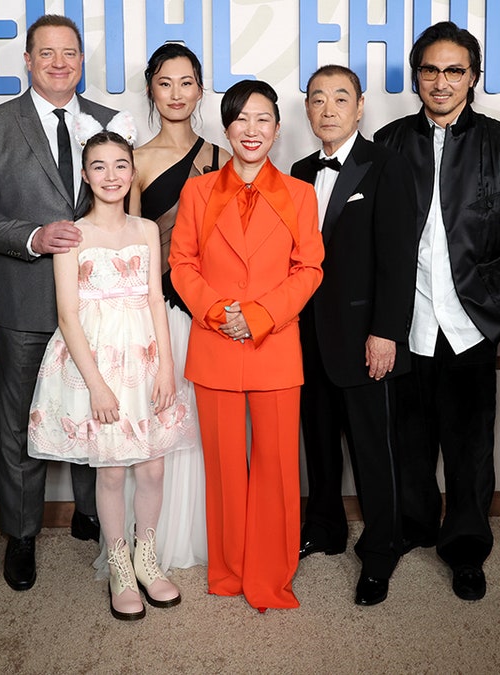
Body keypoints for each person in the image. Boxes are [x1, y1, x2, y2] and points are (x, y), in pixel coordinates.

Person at [0, 14, 120, 591]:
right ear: (27, 60)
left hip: (98, 305)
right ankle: (22, 534)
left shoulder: (109, 121)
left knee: (96, 411)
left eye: (69, 53)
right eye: (46, 53)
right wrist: (32, 237)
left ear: (82, 60)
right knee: (19, 422)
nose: (59, 63)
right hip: (26, 300)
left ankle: (92, 514)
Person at [373, 21, 500, 602]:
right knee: (409, 440)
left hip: (472, 321)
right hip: (407, 320)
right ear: (417, 76)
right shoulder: (387, 142)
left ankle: (465, 548)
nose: (441, 82)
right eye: (431, 70)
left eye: (454, 71)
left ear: (473, 76)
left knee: (470, 447)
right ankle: (415, 527)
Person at [168, 79, 324, 611]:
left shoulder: (300, 194)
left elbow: (309, 268)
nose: (251, 130)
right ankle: (230, 569)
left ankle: (271, 575)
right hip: (214, 344)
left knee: (277, 466)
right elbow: (181, 263)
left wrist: (257, 317)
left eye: (263, 119)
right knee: (224, 466)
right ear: (226, 127)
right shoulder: (198, 192)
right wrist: (218, 313)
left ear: (277, 129)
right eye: (240, 119)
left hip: (273, 345)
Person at [28, 131, 193, 621]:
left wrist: (167, 366)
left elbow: (155, 301)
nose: (111, 175)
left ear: (132, 172)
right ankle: (119, 565)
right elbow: (67, 315)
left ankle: (146, 558)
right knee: (113, 469)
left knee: (153, 467)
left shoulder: (145, 229)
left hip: (144, 358)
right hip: (97, 364)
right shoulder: (73, 235)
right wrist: (96, 385)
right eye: (98, 166)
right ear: (85, 175)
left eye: (121, 165)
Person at [289, 65, 418, 606]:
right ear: (307, 109)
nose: (328, 109)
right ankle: (325, 527)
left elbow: (398, 258)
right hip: (308, 336)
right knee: (318, 443)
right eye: (318, 99)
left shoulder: (387, 164)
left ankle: (381, 550)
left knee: (373, 451)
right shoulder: (299, 170)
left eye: (341, 98)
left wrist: (385, 332)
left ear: (360, 107)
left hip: (367, 337)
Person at [126, 42, 231, 570]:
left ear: (200, 89)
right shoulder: (134, 161)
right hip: (155, 312)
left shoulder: (222, 159)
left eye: (186, 82)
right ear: (151, 89)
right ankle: (150, 539)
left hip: (207, 311)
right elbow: (126, 245)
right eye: (164, 83)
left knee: (206, 422)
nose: (175, 93)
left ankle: (202, 532)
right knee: (159, 420)